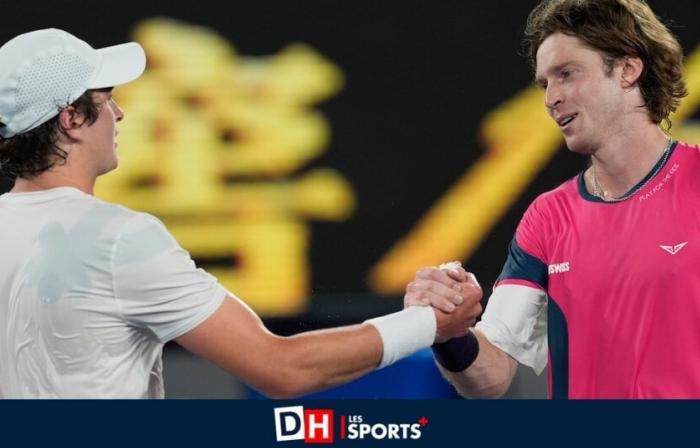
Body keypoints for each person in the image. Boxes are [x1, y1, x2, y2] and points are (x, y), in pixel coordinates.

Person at [0, 28, 481, 399]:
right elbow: (281, 369)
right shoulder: (117, 239)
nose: (120, 114)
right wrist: (429, 323)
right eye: (106, 100)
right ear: (71, 119)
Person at [407, 0, 699, 399]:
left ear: (628, 70)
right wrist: (450, 332)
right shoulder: (548, 217)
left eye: (566, 74)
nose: (551, 98)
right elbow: (495, 378)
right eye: (545, 84)